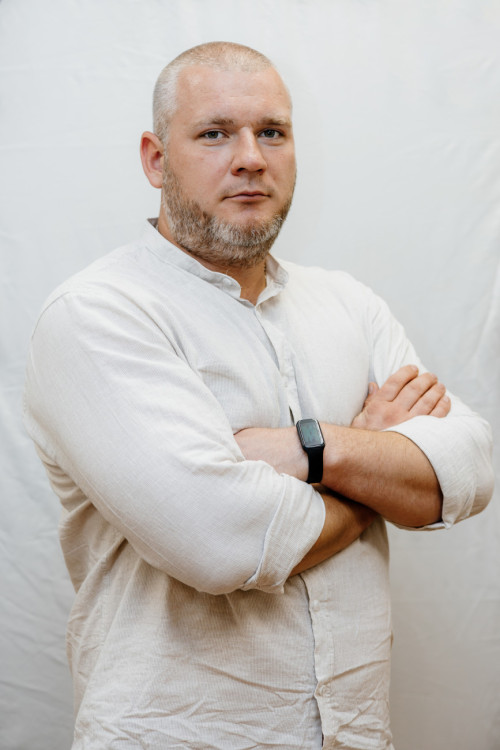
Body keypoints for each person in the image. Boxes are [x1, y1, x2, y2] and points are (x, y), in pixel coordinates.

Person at [24, 41, 494, 750]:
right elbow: (223, 542)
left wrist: (308, 451)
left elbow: (469, 467)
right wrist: (376, 458)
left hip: (356, 735)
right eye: (215, 133)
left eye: (271, 132)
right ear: (156, 159)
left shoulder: (349, 304)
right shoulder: (98, 314)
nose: (250, 157)